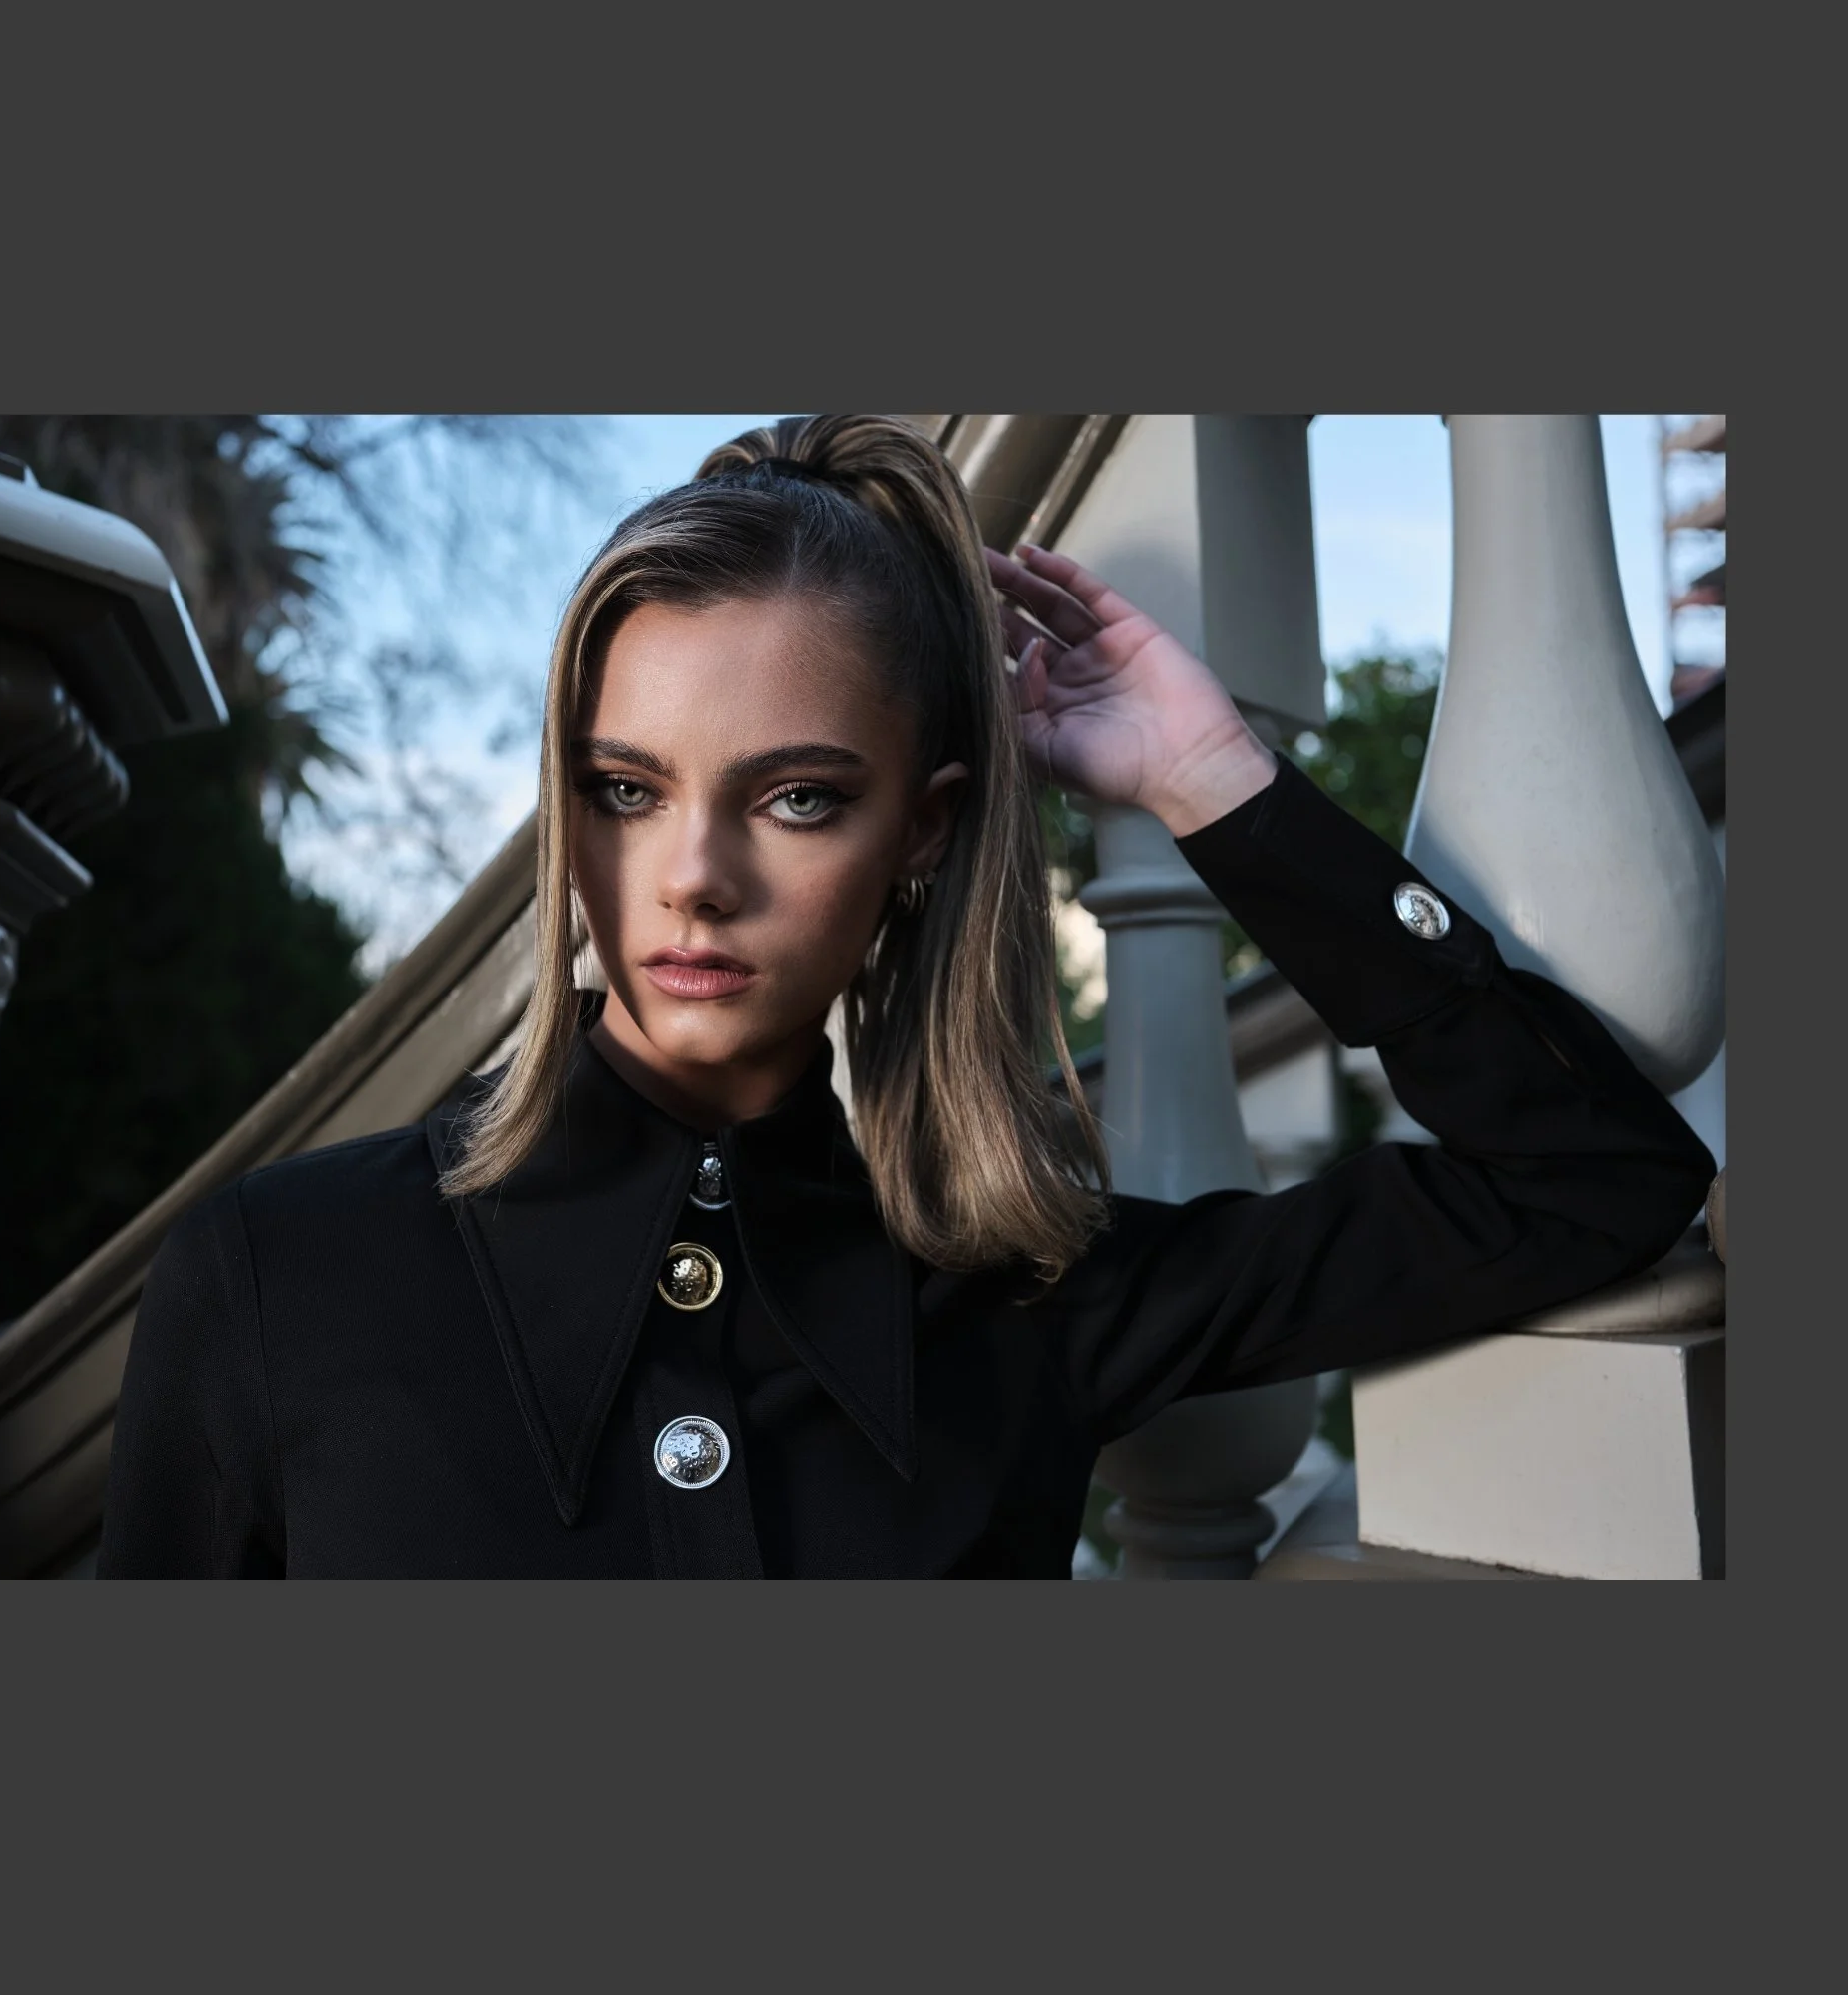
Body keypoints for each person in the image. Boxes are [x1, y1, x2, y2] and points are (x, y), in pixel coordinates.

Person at [97, 414, 1715, 1579]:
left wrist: (1221, 787)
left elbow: (1595, 1179)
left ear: (921, 833)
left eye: (796, 797)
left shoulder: (1028, 1298)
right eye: (626, 788)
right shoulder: (273, 1278)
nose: (693, 876)